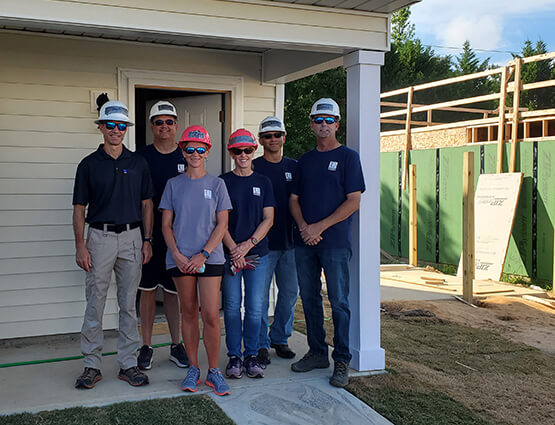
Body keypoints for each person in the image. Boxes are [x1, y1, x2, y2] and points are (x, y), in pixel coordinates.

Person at [73, 100, 153, 389]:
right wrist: (80, 246)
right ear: (101, 128)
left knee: (128, 305)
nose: (116, 131)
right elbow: (79, 208)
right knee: (95, 302)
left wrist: (147, 239)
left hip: (132, 237)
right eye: (111, 125)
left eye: (121, 126)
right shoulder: (88, 165)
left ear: (126, 129)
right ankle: (91, 365)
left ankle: (128, 363)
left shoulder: (138, 163)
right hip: (99, 237)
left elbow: (147, 204)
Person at [289, 98, 365, 388]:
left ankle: (341, 359)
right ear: (311, 124)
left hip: (334, 242)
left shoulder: (349, 157)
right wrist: (304, 228)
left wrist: (319, 226)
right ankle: (318, 352)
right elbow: (294, 200)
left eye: (328, 120)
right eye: (318, 120)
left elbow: (354, 200)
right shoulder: (305, 161)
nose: (323, 125)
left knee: (339, 302)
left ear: (337, 124)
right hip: (305, 242)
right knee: (308, 300)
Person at [160, 125, 232, 396]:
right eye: (189, 148)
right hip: (180, 259)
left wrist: (203, 253)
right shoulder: (173, 184)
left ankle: (214, 370)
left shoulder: (217, 184)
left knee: (211, 314)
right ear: (182, 151)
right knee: (188, 312)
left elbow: (222, 223)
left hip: (209, 257)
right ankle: (193, 367)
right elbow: (166, 225)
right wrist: (177, 255)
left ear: (208, 152)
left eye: (200, 148)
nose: (195, 153)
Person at [136, 101, 189, 371]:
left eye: (169, 122)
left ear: (176, 126)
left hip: (178, 238)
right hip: (148, 235)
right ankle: (146, 346)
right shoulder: (140, 156)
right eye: (159, 122)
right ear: (152, 126)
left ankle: (175, 344)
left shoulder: (186, 156)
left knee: (172, 292)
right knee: (146, 290)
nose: (164, 126)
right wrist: (144, 237)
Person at [220, 129, 275, 379]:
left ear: (255, 150)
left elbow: (268, 219)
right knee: (231, 307)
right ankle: (234, 356)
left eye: (248, 150)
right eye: (237, 151)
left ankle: (251, 355)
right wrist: (234, 249)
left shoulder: (264, 182)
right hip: (230, 255)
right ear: (231, 153)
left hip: (257, 254)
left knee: (254, 307)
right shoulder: (222, 182)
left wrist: (248, 245)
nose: (243, 155)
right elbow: (218, 222)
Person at [253, 116, 298, 366]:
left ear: (284, 137)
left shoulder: (295, 167)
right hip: (262, 244)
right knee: (259, 297)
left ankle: (280, 338)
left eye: (277, 135)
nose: (273, 139)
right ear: (260, 140)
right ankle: (260, 344)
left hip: (291, 243)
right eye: (268, 136)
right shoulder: (254, 167)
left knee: (290, 293)